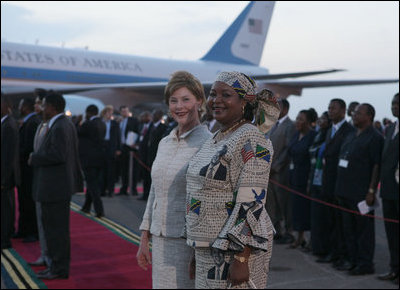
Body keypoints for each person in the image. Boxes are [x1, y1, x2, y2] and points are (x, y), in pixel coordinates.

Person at [185, 72, 279, 288]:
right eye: (212, 94)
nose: (216, 100)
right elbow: (199, 192)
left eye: (225, 94)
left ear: (245, 102)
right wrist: (195, 248)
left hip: (232, 252)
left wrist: (242, 258)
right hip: (207, 248)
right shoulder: (217, 137)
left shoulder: (252, 138)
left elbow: (251, 201)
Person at [137, 71, 211, 288]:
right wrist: (144, 237)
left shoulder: (208, 143)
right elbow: (154, 191)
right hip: (159, 240)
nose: (180, 106)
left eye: (186, 99)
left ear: (199, 101)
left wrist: (201, 251)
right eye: (174, 100)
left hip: (187, 243)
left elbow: (209, 200)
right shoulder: (165, 142)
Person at [30, 92, 82, 279]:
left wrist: (34, 158)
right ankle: (54, 265)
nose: (42, 109)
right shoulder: (60, 124)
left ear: (52, 107)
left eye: (44, 105)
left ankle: (59, 269)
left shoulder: (60, 126)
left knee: (57, 232)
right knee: (53, 231)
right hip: (53, 188)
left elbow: (58, 155)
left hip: (55, 189)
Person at [335, 103, 383, 275]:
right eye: (354, 113)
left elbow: (376, 165)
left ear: (369, 116)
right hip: (345, 190)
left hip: (361, 193)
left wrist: (371, 191)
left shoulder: (375, 137)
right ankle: (352, 260)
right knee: (349, 229)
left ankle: (365, 264)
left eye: (358, 113)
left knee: (364, 231)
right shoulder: (351, 135)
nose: (354, 115)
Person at [316, 99, 355, 267]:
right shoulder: (329, 129)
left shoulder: (349, 131)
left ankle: (342, 254)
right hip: (327, 181)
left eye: (333, 108)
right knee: (329, 220)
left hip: (340, 183)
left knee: (341, 223)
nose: (330, 111)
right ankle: (332, 252)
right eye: (329, 108)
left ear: (343, 111)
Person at [265, 98, 296, 244]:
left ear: (284, 109)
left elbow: (288, 150)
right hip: (268, 171)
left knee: (284, 202)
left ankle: (288, 231)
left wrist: (276, 166)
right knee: (271, 202)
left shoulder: (290, 125)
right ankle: (276, 229)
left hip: (280, 172)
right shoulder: (272, 125)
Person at [287, 109, 317, 249]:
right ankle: (298, 237)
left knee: (306, 210)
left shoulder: (313, 136)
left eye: (301, 119)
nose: (297, 122)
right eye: (297, 118)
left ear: (309, 122)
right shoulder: (296, 135)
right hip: (294, 176)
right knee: (296, 208)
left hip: (306, 178)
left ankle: (310, 239)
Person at [377, 93, 399, 284]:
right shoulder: (391, 127)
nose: (394, 106)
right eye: (393, 103)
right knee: (391, 232)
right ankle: (394, 268)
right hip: (389, 190)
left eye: (397, 104)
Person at [15, 98, 41, 243]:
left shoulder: (32, 122)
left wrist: (16, 154)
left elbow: (29, 147)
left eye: (20, 105)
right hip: (24, 168)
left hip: (28, 169)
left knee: (28, 201)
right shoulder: (29, 121)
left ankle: (31, 231)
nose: (18, 108)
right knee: (23, 200)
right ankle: (23, 229)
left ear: (25, 107)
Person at [309, 112, 331, 256]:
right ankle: (315, 245)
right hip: (315, 177)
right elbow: (312, 151)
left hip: (323, 179)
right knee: (315, 215)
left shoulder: (328, 135)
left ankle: (322, 248)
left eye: (323, 119)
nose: (320, 121)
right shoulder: (318, 134)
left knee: (323, 217)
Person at [78, 104, 106, 218]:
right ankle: (86, 206)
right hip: (99, 158)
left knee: (92, 185)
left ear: (89, 113)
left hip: (89, 159)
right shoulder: (102, 123)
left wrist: (80, 121)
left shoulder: (88, 124)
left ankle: (99, 210)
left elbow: (77, 131)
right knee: (92, 183)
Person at [1, 93, 20, 250]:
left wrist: (4, 179)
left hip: (5, 176)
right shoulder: (4, 123)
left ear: (6, 105)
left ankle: (5, 239)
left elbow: (9, 156)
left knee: (6, 209)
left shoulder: (9, 125)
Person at [118, 106, 140, 195]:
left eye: (126, 111)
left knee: (133, 169)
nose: (124, 113)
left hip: (131, 148)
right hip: (122, 147)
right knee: (123, 170)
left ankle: (133, 189)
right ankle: (124, 188)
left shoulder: (133, 120)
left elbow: (138, 132)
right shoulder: (119, 121)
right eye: (123, 111)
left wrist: (136, 143)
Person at [101, 105, 121, 198]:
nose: (110, 114)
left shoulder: (114, 123)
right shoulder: (100, 122)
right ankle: (102, 190)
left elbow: (118, 137)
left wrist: (118, 149)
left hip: (111, 147)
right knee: (102, 170)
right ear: (105, 113)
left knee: (111, 171)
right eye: (109, 112)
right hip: (102, 146)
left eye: (111, 113)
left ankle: (110, 191)